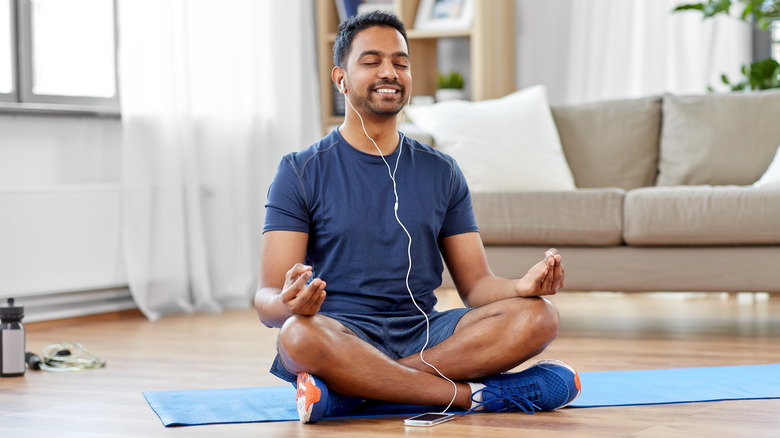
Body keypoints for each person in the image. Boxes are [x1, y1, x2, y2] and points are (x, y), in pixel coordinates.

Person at [254, 11, 580, 424]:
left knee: (539, 315)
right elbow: (266, 301)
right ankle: (472, 397)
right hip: (341, 334)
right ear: (341, 78)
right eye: (371, 61)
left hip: (425, 333)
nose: (389, 72)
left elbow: (477, 287)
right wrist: (285, 302)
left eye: (401, 62)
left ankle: (355, 391)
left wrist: (521, 286)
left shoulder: (441, 171)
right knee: (297, 335)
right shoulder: (299, 170)